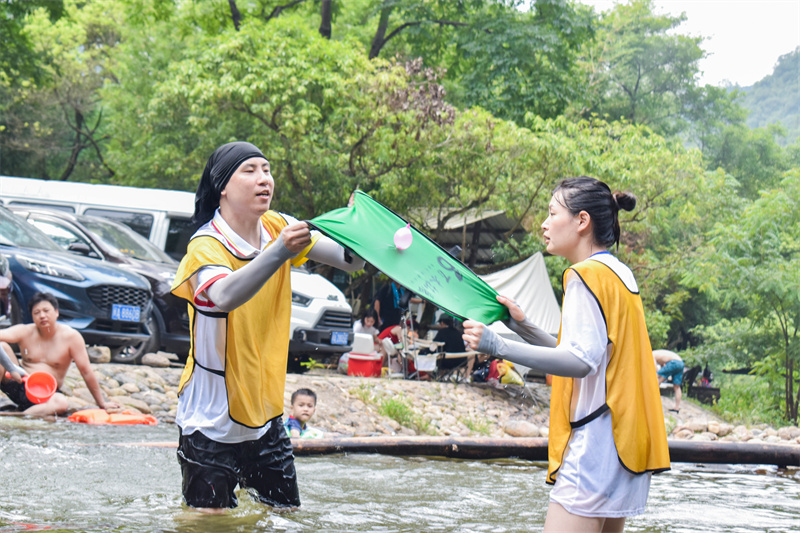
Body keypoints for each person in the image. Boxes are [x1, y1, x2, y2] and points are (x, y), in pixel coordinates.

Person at [462, 176, 669, 532]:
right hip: (624, 445)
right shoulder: (618, 273)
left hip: (596, 446)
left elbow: (579, 362)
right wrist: (522, 326)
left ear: (582, 221)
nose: (544, 223)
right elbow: (589, 355)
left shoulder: (583, 276)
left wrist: (497, 346)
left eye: (552, 212)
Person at [170, 141, 364, 511]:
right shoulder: (205, 245)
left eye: (267, 169)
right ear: (222, 186)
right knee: (209, 521)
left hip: (265, 414)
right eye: (251, 170)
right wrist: (279, 252)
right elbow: (222, 296)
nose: (265, 179)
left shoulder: (278, 224)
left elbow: (348, 261)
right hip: (211, 418)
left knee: (286, 515)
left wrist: (360, 231)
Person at [0, 292, 119, 417]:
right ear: (32, 316)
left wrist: (102, 403)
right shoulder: (25, 331)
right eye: (37, 313)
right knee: (2, 347)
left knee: (61, 403)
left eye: (46, 311)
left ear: (56, 312)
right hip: (21, 385)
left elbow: (86, 371)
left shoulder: (71, 337)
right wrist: (11, 368)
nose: (42, 316)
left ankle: (17, 416)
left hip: (48, 394)